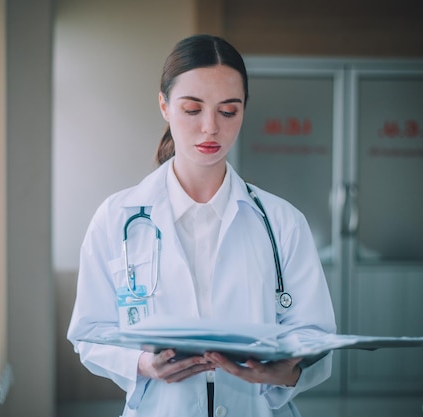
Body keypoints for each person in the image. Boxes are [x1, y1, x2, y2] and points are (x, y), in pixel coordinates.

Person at [67, 34, 336, 417]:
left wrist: (287, 370)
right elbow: (89, 332)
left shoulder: (283, 223)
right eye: (192, 109)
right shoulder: (117, 218)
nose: (210, 128)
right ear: (164, 105)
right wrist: (142, 365)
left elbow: (316, 335)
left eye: (228, 111)